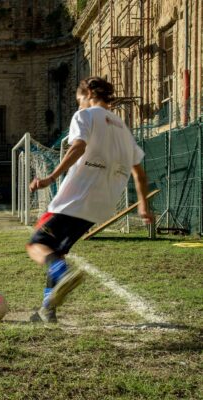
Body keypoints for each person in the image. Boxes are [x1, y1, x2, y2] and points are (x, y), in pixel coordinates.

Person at [27, 77, 153, 323]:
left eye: (79, 100)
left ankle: (61, 274)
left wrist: (51, 177)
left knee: (36, 244)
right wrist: (143, 206)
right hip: (101, 207)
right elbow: (139, 174)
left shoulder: (85, 116)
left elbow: (79, 146)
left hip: (74, 198)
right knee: (57, 252)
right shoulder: (125, 130)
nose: (79, 105)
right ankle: (47, 310)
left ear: (89, 93)